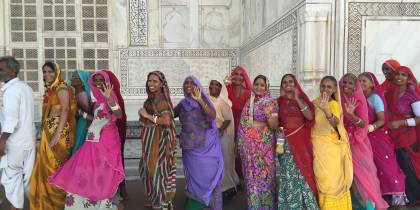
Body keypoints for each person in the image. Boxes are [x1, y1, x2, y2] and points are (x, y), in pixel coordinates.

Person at [48, 70, 125, 210]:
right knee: (86, 172)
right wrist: (79, 113)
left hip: (105, 142)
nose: (97, 83)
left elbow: (118, 114)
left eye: (100, 79)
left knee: (101, 173)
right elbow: (95, 119)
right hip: (92, 141)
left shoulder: (109, 98)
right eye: (95, 80)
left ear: (107, 81)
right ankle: (84, 205)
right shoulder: (97, 102)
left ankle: (101, 204)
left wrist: (109, 99)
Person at [29, 61, 77, 210]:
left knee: (55, 168)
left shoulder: (61, 88)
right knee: (46, 166)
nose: (47, 74)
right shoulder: (52, 88)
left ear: (57, 72)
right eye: (44, 72)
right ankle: (47, 202)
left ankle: (59, 204)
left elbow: (65, 111)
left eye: (50, 71)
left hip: (58, 132)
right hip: (49, 130)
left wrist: (57, 134)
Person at [174, 75, 224, 210]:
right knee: (194, 180)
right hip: (190, 149)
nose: (188, 85)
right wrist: (152, 117)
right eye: (186, 83)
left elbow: (212, 115)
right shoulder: (182, 104)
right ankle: (196, 206)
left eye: (192, 82)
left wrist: (200, 100)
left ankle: (212, 206)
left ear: (198, 86)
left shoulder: (204, 101)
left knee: (209, 177)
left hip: (207, 147)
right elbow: (169, 115)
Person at [339, 73, 388, 209]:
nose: (346, 86)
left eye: (350, 83)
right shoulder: (339, 98)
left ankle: (370, 204)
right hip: (342, 141)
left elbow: (363, 124)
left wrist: (352, 115)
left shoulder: (358, 100)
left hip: (357, 141)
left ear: (356, 87)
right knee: (349, 175)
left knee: (363, 175)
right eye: (345, 82)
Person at [358, 72, 408, 206]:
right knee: (373, 167)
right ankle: (381, 198)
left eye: (364, 81)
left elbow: (382, 120)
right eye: (359, 81)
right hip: (365, 138)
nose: (361, 83)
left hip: (379, 137)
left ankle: (398, 198)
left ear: (372, 84)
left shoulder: (375, 99)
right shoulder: (359, 98)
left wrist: (370, 128)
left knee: (387, 167)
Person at [276, 74, 318, 209]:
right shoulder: (278, 102)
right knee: (288, 173)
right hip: (286, 142)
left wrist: (297, 98)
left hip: (301, 141)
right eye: (285, 82)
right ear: (282, 85)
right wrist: (278, 131)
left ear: (295, 84)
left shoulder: (302, 99)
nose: (288, 84)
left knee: (304, 171)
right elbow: (276, 122)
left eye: (291, 82)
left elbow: (310, 116)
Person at [237, 75, 278, 210]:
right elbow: (243, 123)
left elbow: (274, 125)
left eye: (262, 85)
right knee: (251, 178)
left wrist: (268, 114)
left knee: (265, 177)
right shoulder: (250, 101)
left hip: (264, 147)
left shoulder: (271, 102)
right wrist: (241, 144)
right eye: (257, 84)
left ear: (266, 87)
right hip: (249, 147)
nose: (259, 87)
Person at [312, 76, 353, 210]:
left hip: (331, 148)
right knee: (322, 178)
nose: (325, 89)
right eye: (323, 86)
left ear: (335, 89)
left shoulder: (334, 104)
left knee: (331, 180)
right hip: (317, 147)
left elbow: (335, 122)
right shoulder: (315, 102)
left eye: (329, 87)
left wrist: (326, 110)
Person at [0, 56, 36, 210]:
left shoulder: (12, 91)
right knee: (24, 181)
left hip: (14, 143)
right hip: (27, 141)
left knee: (12, 180)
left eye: (1, 69)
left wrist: (2, 142)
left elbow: (11, 121)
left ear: (12, 70)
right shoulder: (25, 87)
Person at [138, 71, 177, 210]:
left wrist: (147, 115)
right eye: (150, 81)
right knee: (149, 169)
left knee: (158, 171)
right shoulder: (152, 98)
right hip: (152, 142)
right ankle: (155, 199)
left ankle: (162, 202)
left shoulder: (160, 99)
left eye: (155, 81)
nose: (151, 84)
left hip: (160, 143)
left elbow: (166, 121)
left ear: (161, 84)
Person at [385, 66, 420, 205]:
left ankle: (415, 197)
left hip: (406, 137)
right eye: (397, 74)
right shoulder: (388, 93)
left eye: (403, 75)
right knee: (396, 168)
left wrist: (402, 122)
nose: (399, 77)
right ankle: (404, 198)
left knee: (408, 167)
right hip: (390, 137)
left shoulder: (412, 95)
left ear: (408, 78)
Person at [209, 79, 239, 200]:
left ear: (221, 88)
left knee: (223, 161)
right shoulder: (204, 99)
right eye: (212, 83)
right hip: (208, 137)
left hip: (220, 137)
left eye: (217, 85)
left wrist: (220, 130)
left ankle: (226, 188)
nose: (214, 86)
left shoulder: (223, 102)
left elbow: (227, 119)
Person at [103, 70, 128, 200]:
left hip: (114, 136)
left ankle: (119, 189)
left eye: (103, 81)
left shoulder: (114, 97)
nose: (100, 84)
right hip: (105, 137)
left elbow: (119, 115)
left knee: (116, 161)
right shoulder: (99, 98)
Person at [226, 66, 251, 181]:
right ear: (231, 75)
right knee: (228, 152)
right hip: (228, 125)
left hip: (242, 126)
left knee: (240, 153)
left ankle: (240, 178)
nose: (238, 76)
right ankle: (229, 179)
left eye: (241, 75)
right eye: (236, 73)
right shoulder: (226, 89)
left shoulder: (248, 93)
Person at [69, 69, 92, 154]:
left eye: (76, 78)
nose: (72, 79)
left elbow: (90, 113)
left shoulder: (81, 94)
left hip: (83, 124)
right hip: (80, 122)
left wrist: (78, 112)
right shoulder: (78, 93)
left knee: (78, 147)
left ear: (82, 82)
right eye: (73, 76)